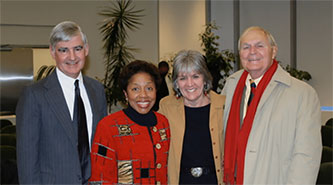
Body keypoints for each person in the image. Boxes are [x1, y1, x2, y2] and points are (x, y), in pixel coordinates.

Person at [222, 26, 322, 185]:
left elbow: (306, 156)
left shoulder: (303, 94)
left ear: (273, 51)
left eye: (259, 46)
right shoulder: (231, 85)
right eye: (246, 47)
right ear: (240, 54)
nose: (252, 51)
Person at [16, 21, 107, 184]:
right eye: (63, 50)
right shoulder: (34, 95)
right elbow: (27, 161)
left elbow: (103, 145)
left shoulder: (97, 90)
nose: (72, 57)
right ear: (52, 52)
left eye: (77, 49)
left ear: (86, 49)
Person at [89, 60, 170, 184]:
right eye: (135, 89)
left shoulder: (162, 123)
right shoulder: (109, 126)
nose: (143, 95)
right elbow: (99, 178)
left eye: (149, 88)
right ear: (126, 94)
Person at [159, 50, 226, 185]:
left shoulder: (224, 105)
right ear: (176, 83)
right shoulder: (166, 107)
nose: (190, 84)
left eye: (195, 76)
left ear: (205, 78)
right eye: (183, 78)